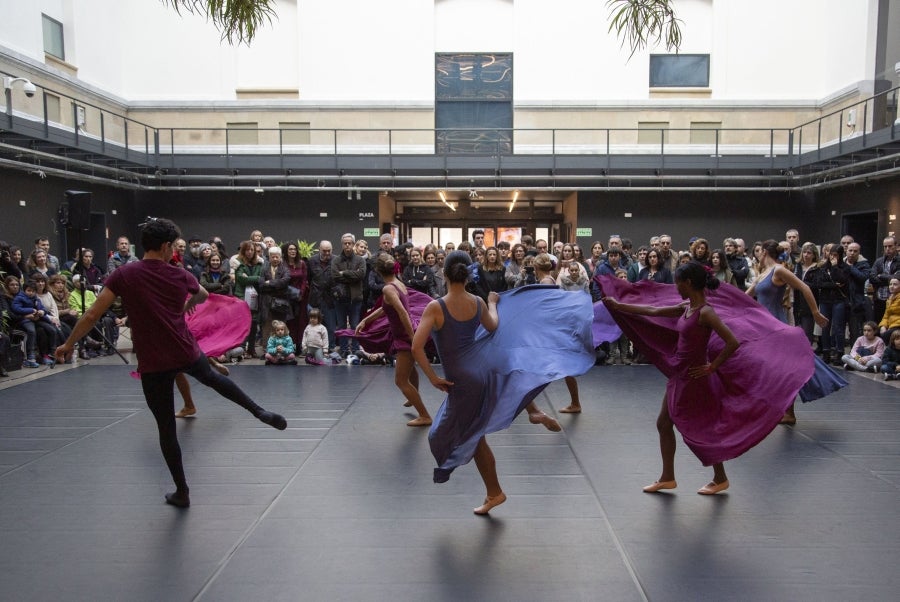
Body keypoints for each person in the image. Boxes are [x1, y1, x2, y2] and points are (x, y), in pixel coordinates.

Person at [55, 217, 287, 509]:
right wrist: (181, 309)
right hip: (183, 349)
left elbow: (90, 316)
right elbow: (202, 295)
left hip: (153, 360)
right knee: (215, 379)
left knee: (166, 429)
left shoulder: (124, 275)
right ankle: (258, 410)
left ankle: (182, 491)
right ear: (165, 246)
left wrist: (68, 344)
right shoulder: (179, 274)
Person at [412, 251, 593, 514]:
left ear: (445, 273)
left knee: (446, 435)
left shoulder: (436, 307)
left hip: (462, 381)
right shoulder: (476, 302)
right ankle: (496, 487)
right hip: (481, 370)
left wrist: (432, 378)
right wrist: (493, 302)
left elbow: (417, 347)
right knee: (474, 433)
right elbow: (494, 326)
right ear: (468, 273)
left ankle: (495, 490)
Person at [603, 263, 740, 494]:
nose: (675, 286)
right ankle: (669, 477)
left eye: (677, 282)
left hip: (694, 377)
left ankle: (720, 477)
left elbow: (732, 342)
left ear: (687, 283)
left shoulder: (705, 312)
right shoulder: (687, 307)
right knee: (664, 423)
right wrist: (619, 306)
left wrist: (711, 367)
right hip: (680, 374)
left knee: (700, 427)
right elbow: (653, 311)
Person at [746, 239, 845, 425]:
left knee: (783, 368)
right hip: (762, 326)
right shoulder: (762, 274)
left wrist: (815, 313)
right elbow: (745, 297)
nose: (756, 255)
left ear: (764, 252)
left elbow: (804, 287)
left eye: (758, 251)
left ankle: (788, 412)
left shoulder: (779, 270)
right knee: (775, 368)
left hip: (775, 325)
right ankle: (779, 409)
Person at [356, 253, 432, 426]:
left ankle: (425, 415)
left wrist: (413, 339)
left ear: (377, 270)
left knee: (400, 380)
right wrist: (366, 320)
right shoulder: (397, 284)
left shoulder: (388, 288)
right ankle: (413, 397)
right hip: (405, 333)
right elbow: (385, 308)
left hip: (405, 335)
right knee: (410, 368)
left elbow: (403, 313)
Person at [331, 234, 366, 358]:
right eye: (345, 243)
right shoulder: (336, 260)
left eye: (349, 243)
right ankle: (344, 349)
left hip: (355, 298)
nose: (347, 245)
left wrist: (344, 273)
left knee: (355, 325)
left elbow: (361, 275)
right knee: (341, 325)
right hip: (340, 298)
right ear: (342, 244)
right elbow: (335, 276)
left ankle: (356, 349)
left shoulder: (360, 260)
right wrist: (352, 275)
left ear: (353, 244)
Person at [233, 240, 263, 358]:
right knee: (244, 324)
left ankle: (251, 349)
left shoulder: (259, 263)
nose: (250, 252)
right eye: (247, 250)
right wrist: (255, 278)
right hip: (241, 297)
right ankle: (242, 349)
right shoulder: (238, 263)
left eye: (252, 250)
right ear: (243, 251)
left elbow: (261, 278)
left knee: (254, 324)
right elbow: (241, 279)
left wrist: (250, 278)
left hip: (254, 297)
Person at [869, 236, 900, 323]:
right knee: (877, 325)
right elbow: (872, 277)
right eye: (885, 246)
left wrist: (881, 276)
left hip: (895, 299)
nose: (887, 249)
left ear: (896, 246)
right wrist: (889, 279)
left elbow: (897, 278)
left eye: (890, 246)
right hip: (879, 299)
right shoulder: (879, 261)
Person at [878, 276, 900, 344]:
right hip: (890, 326)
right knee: (874, 333)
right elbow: (886, 316)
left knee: (885, 336)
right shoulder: (890, 299)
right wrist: (883, 326)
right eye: (890, 284)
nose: (892, 286)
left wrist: (892, 326)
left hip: (897, 325)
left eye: (895, 284)